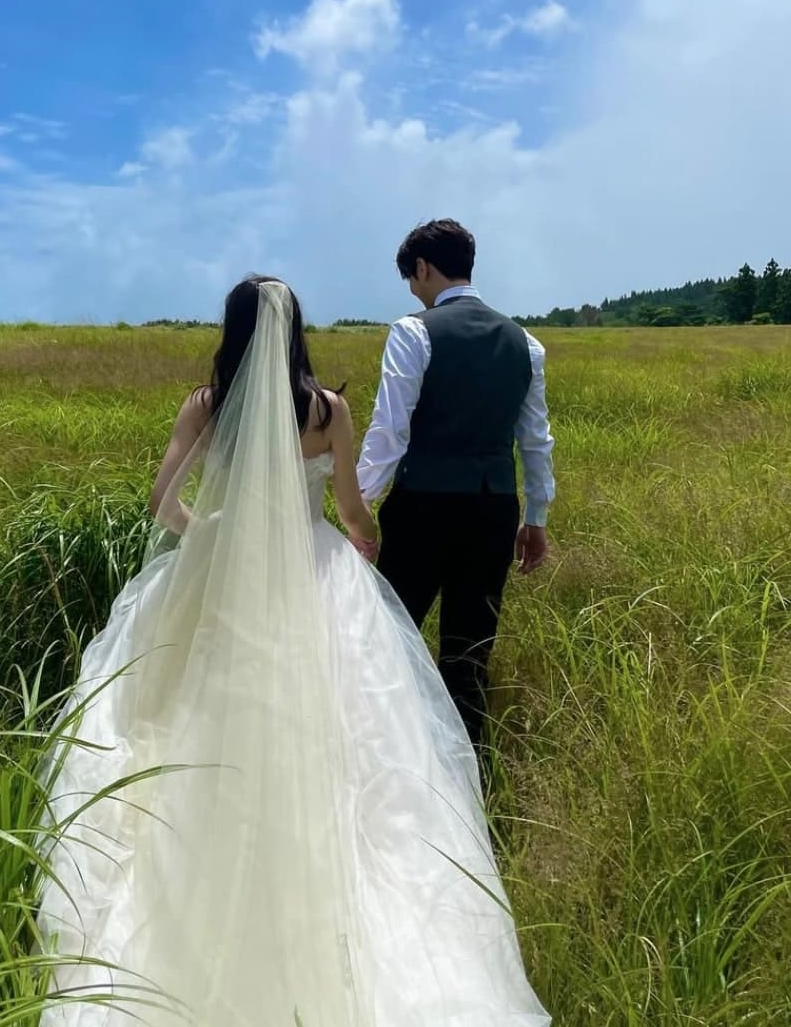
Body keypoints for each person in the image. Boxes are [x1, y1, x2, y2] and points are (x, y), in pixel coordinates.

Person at [36, 275, 550, 1026]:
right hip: (314, 572)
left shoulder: (207, 405)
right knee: (353, 727)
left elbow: (161, 500)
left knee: (183, 707)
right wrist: (361, 542)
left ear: (234, 329)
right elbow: (347, 503)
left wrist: (206, 534)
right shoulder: (328, 409)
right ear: (298, 329)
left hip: (221, 572)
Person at [357, 220, 555, 748]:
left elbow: (389, 431)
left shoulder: (413, 331)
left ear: (423, 268)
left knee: (391, 634)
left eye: (412, 278)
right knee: (469, 650)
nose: (413, 291)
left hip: (423, 505)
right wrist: (535, 519)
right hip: (493, 510)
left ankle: (385, 749)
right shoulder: (526, 344)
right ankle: (465, 768)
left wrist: (359, 507)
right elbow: (535, 440)